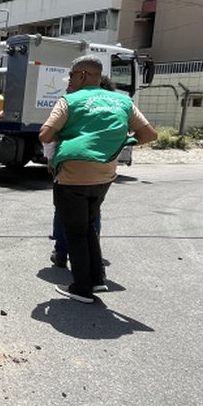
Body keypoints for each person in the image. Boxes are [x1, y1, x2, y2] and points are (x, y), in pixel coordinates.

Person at [39, 56, 157, 304]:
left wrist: (72, 135)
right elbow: (149, 134)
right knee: (89, 225)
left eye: (71, 76)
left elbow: (45, 134)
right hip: (104, 174)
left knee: (75, 232)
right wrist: (119, 142)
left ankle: (82, 289)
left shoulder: (69, 101)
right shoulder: (123, 101)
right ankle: (97, 279)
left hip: (72, 173)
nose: (69, 81)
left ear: (82, 75)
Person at [48, 76, 116, 269]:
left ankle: (62, 253)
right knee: (93, 213)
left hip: (71, 168)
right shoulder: (114, 108)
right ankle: (92, 256)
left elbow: (50, 135)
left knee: (64, 211)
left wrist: (51, 160)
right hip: (103, 170)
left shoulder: (73, 103)